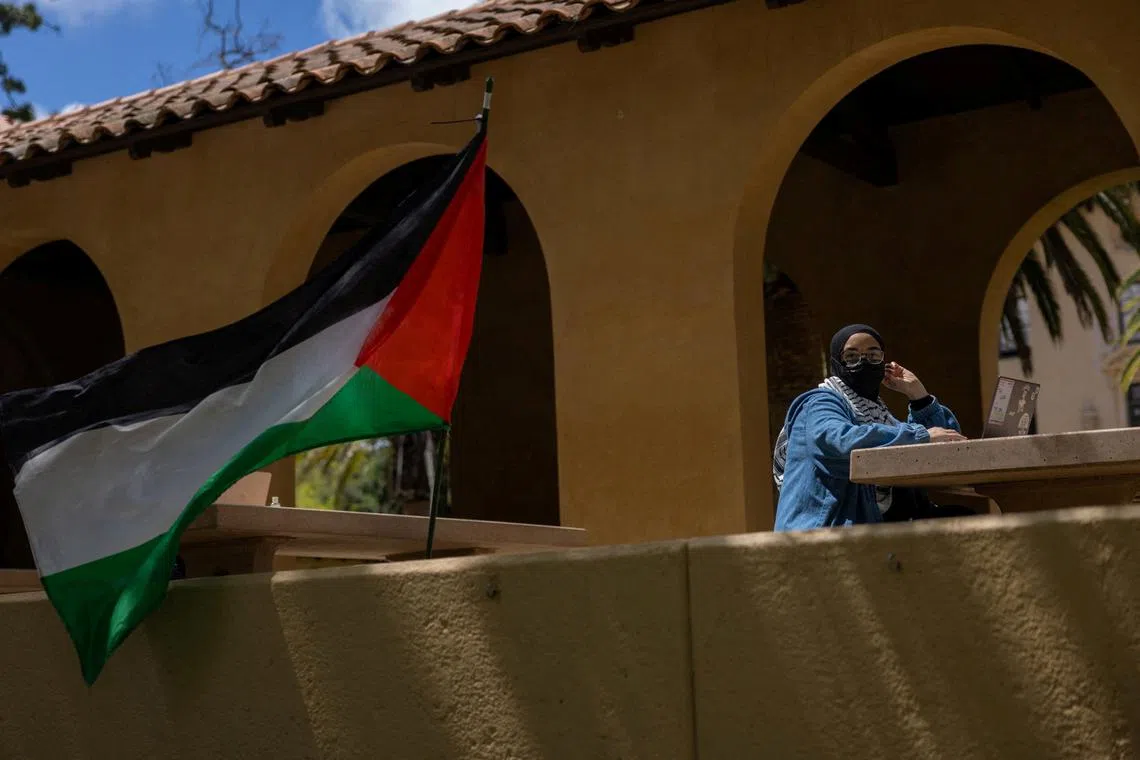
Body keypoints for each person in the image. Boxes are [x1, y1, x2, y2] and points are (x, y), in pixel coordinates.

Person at [772, 324, 970, 531]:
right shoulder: (819, 403)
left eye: (873, 356)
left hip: (874, 525)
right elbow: (840, 441)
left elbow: (946, 442)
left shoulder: (879, 416)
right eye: (851, 357)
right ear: (836, 362)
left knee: (963, 521)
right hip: (828, 529)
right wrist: (921, 436)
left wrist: (919, 396)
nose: (863, 363)